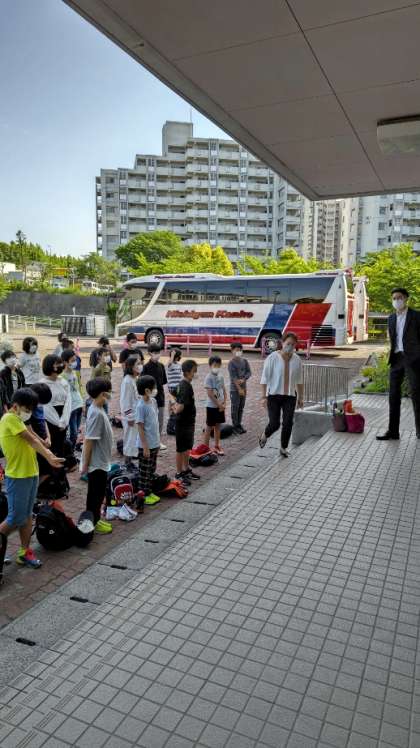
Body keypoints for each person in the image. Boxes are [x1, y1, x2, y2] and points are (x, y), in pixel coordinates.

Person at [0, 388, 64, 579]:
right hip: (17, 477)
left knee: (27, 515)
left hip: (31, 473)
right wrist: (49, 456)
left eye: (31, 410)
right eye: (27, 409)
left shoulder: (19, 419)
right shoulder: (9, 419)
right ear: (15, 406)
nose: (29, 412)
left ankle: (24, 552)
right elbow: (30, 439)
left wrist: (47, 449)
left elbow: (32, 436)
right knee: (14, 518)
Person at [377, 287, 420, 440]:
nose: (396, 301)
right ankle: (393, 431)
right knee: (393, 396)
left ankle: (419, 431)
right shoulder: (391, 318)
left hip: (413, 359)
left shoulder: (416, 316)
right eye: (394, 298)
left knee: (417, 395)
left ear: (406, 299)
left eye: (399, 297)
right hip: (396, 359)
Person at [259, 332, 304, 457]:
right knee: (275, 424)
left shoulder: (297, 359)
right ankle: (265, 434)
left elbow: (299, 381)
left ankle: (283, 448)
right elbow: (264, 379)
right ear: (282, 343)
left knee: (288, 423)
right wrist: (263, 397)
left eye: (293, 344)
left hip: (290, 396)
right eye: (288, 343)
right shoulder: (272, 358)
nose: (290, 346)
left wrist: (301, 397)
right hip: (273, 396)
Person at [80, 377, 113, 534]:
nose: (110, 394)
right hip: (96, 463)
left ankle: (95, 519)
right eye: (108, 392)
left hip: (101, 460)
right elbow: (88, 441)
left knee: (98, 493)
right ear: (102, 394)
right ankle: (93, 521)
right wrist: (85, 465)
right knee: (95, 494)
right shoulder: (96, 413)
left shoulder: (98, 409)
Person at [172, 359, 200, 485]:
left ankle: (186, 469)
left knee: (187, 447)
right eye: (194, 371)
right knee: (181, 448)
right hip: (182, 423)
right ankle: (179, 473)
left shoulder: (185, 384)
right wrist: (175, 408)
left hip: (188, 422)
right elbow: (180, 406)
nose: (196, 373)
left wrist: (174, 403)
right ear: (187, 372)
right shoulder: (184, 386)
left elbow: (173, 393)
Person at [40, 355, 72, 459]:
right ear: (49, 365)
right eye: (57, 364)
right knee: (52, 446)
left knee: (61, 444)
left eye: (60, 363)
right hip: (49, 419)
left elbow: (68, 401)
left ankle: (62, 464)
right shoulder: (42, 384)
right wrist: (57, 422)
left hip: (63, 417)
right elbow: (45, 405)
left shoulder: (63, 382)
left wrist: (64, 420)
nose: (61, 365)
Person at [135, 375, 161, 505]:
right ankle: (143, 494)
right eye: (153, 387)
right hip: (146, 445)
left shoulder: (153, 401)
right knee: (144, 472)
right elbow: (140, 427)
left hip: (154, 443)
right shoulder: (141, 406)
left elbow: (154, 422)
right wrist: (145, 446)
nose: (156, 389)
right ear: (146, 390)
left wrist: (157, 442)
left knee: (151, 469)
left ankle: (149, 491)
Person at [143, 344, 168, 450]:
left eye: (159, 352)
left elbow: (164, 381)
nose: (157, 354)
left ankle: (157, 441)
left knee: (160, 420)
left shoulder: (161, 366)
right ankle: (149, 441)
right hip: (150, 398)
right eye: (155, 353)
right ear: (150, 353)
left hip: (160, 397)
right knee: (150, 421)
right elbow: (142, 384)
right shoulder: (145, 367)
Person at [120, 354, 141, 467]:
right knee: (130, 439)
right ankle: (127, 463)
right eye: (138, 364)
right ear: (131, 366)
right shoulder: (127, 381)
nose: (140, 366)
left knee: (134, 439)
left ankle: (130, 461)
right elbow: (125, 401)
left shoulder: (134, 379)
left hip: (136, 414)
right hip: (131, 416)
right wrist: (130, 417)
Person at [203, 355, 227, 456]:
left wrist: (224, 401)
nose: (216, 367)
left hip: (220, 405)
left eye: (218, 365)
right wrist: (218, 404)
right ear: (210, 366)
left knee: (218, 426)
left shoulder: (221, 376)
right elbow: (210, 394)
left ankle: (217, 445)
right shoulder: (208, 377)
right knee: (209, 427)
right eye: (214, 365)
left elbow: (223, 389)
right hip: (211, 406)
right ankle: (205, 448)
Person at [61, 349, 84, 449]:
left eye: (75, 360)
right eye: (72, 360)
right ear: (65, 362)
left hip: (79, 405)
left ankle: (72, 450)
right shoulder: (62, 376)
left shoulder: (75, 373)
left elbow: (79, 388)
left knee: (76, 431)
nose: (75, 362)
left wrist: (82, 403)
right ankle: (70, 451)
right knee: (73, 433)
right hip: (71, 407)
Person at [228, 342, 252, 434]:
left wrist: (244, 379)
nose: (238, 352)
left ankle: (239, 424)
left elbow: (249, 372)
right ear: (232, 351)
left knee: (241, 407)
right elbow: (233, 377)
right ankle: (235, 426)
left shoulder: (244, 361)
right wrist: (239, 389)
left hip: (244, 387)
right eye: (236, 350)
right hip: (235, 389)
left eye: (240, 350)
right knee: (235, 407)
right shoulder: (231, 363)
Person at [166, 348, 183, 435]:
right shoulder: (170, 364)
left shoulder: (179, 364)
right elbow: (169, 363)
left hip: (179, 387)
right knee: (172, 403)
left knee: (176, 403)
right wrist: (172, 355)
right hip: (172, 387)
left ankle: (174, 418)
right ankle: (171, 419)